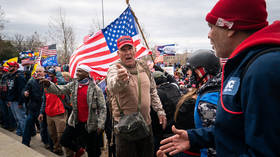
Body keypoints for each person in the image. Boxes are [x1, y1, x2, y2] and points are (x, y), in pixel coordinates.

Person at [158, 0, 280, 156]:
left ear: (229, 27)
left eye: (211, 26)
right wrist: (195, 137)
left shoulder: (264, 68)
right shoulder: (246, 64)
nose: (209, 35)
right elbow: (237, 130)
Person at [106, 35, 167, 157]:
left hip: (146, 125)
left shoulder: (143, 66)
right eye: (124, 50)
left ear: (135, 50)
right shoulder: (114, 69)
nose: (128, 52)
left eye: (130, 48)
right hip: (124, 129)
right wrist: (120, 79)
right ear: (119, 53)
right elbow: (112, 86)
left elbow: (152, 90)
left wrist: (160, 111)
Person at [40, 65, 107, 157]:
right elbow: (61, 89)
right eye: (77, 71)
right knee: (64, 140)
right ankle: (79, 150)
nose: (77, 73)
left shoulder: (96, 89)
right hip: (76, 121)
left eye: (80, 71)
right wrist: (49, 84)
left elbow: (103, 108)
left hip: (90, 123)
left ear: (87, 74)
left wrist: (100, 124)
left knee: (92, 151)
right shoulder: (74, 85)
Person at [38, 68, 68, 155]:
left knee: (62, 135)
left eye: (51, 73)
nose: (49, 75)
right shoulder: (46, 84)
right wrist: (41, 112)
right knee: (52, 135)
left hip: (59, 114)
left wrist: (58, 72)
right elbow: (44, 100)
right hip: (49, 114)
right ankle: (57, 149)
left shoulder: (60, 83)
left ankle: (69, 153)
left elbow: (63, 84)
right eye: (48, 73)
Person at [151, 70, 181, 157]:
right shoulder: (175, 87)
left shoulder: (156, 94)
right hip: (176, 129)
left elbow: (153, 117)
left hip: (162, 133)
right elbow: (172, 80)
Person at [22, 66, 52, 148]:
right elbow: (25, 90)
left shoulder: (48, 82)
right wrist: (25, 93)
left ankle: (46, 142)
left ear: (44, 72)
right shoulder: (31, 82)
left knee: (43, 127)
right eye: (37, 71)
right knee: (28, 124)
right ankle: (25, 142)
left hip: (43, 108)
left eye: (40, 71)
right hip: (33, 108)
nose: (38, 73)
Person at [6, 61, 27, 136]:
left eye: (11, 66)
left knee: (21, 118)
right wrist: (8, 100)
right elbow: (9, 89)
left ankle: (25, 134)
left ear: (15, 67)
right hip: (12, 100)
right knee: (17, 118)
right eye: (9, 66)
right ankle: (20, 131)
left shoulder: (20, 77)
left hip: (17, 101)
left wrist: (20, 102)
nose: (9, 68)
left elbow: (22, 90)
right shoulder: (10, 76)